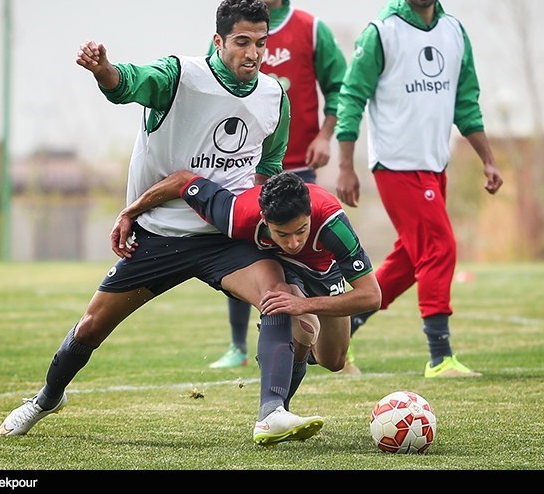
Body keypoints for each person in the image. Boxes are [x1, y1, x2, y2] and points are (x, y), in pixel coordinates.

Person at [0, 0, 325, 447]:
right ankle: (47, 398)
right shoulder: (180, 75)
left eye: (261, 43)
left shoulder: (274, 97)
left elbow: (268, 168)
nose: (252, 54)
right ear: (218, 40)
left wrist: (265, 222)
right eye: (242, 42)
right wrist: (102, 70)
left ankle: (272, 413)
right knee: (91, 326)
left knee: (277, 298)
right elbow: (128, 83)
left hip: (223, 237)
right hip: (159, 234)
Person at [334, 0, 503, 377]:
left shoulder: (454, 32)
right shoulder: (382, 32)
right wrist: (345, 164)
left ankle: (343, 325)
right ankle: (440, 357)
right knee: (441, 248)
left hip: (435, 164)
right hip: (396, 164)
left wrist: (487, 160)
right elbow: (352, 97)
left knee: (413, 258)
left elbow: (467, 104)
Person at [111, 170, 381, 408]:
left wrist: (305, 305)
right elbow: (182, 181)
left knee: (333, 361)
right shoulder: (238, 214)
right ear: (264, 219)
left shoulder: (333, 223)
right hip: (275, 267)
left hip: (322, 271)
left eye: (301, 230)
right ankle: (276, 412)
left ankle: (295, 352)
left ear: (310, 213)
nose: (294, 242)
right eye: (282, 234)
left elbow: (371, 296)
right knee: (301, 328)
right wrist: (129, 212)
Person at [206, 0, 348, 370]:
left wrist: (326, 136)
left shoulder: (310, 28)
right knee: (246, 249)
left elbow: (339, 86)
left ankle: (332, 338)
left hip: (299, 161)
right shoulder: (228, 34)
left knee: (311, 248)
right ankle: (237, 346)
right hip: (244, 165)